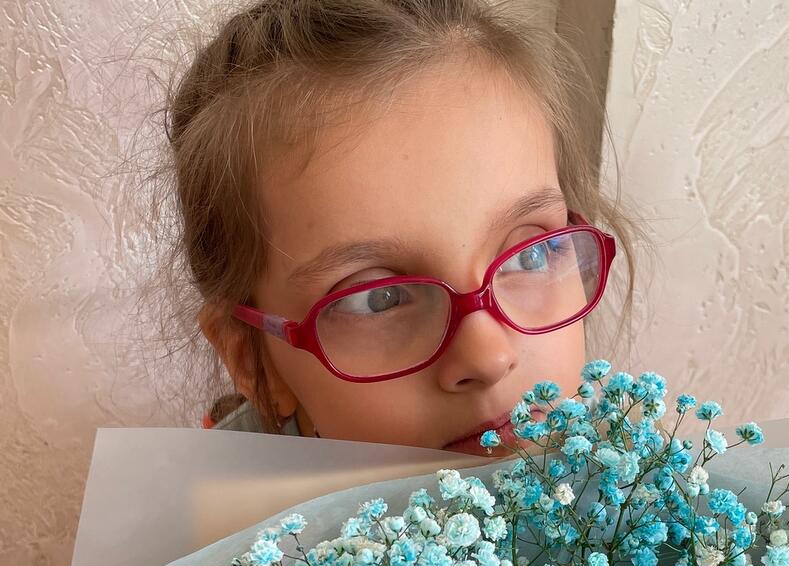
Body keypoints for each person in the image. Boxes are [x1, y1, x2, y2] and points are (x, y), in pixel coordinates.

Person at [149, 0, 652, 455]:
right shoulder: (218, 523)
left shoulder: (634, 484)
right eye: (379, 299)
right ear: (252, 357)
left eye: (530, 255)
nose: (489, 357)